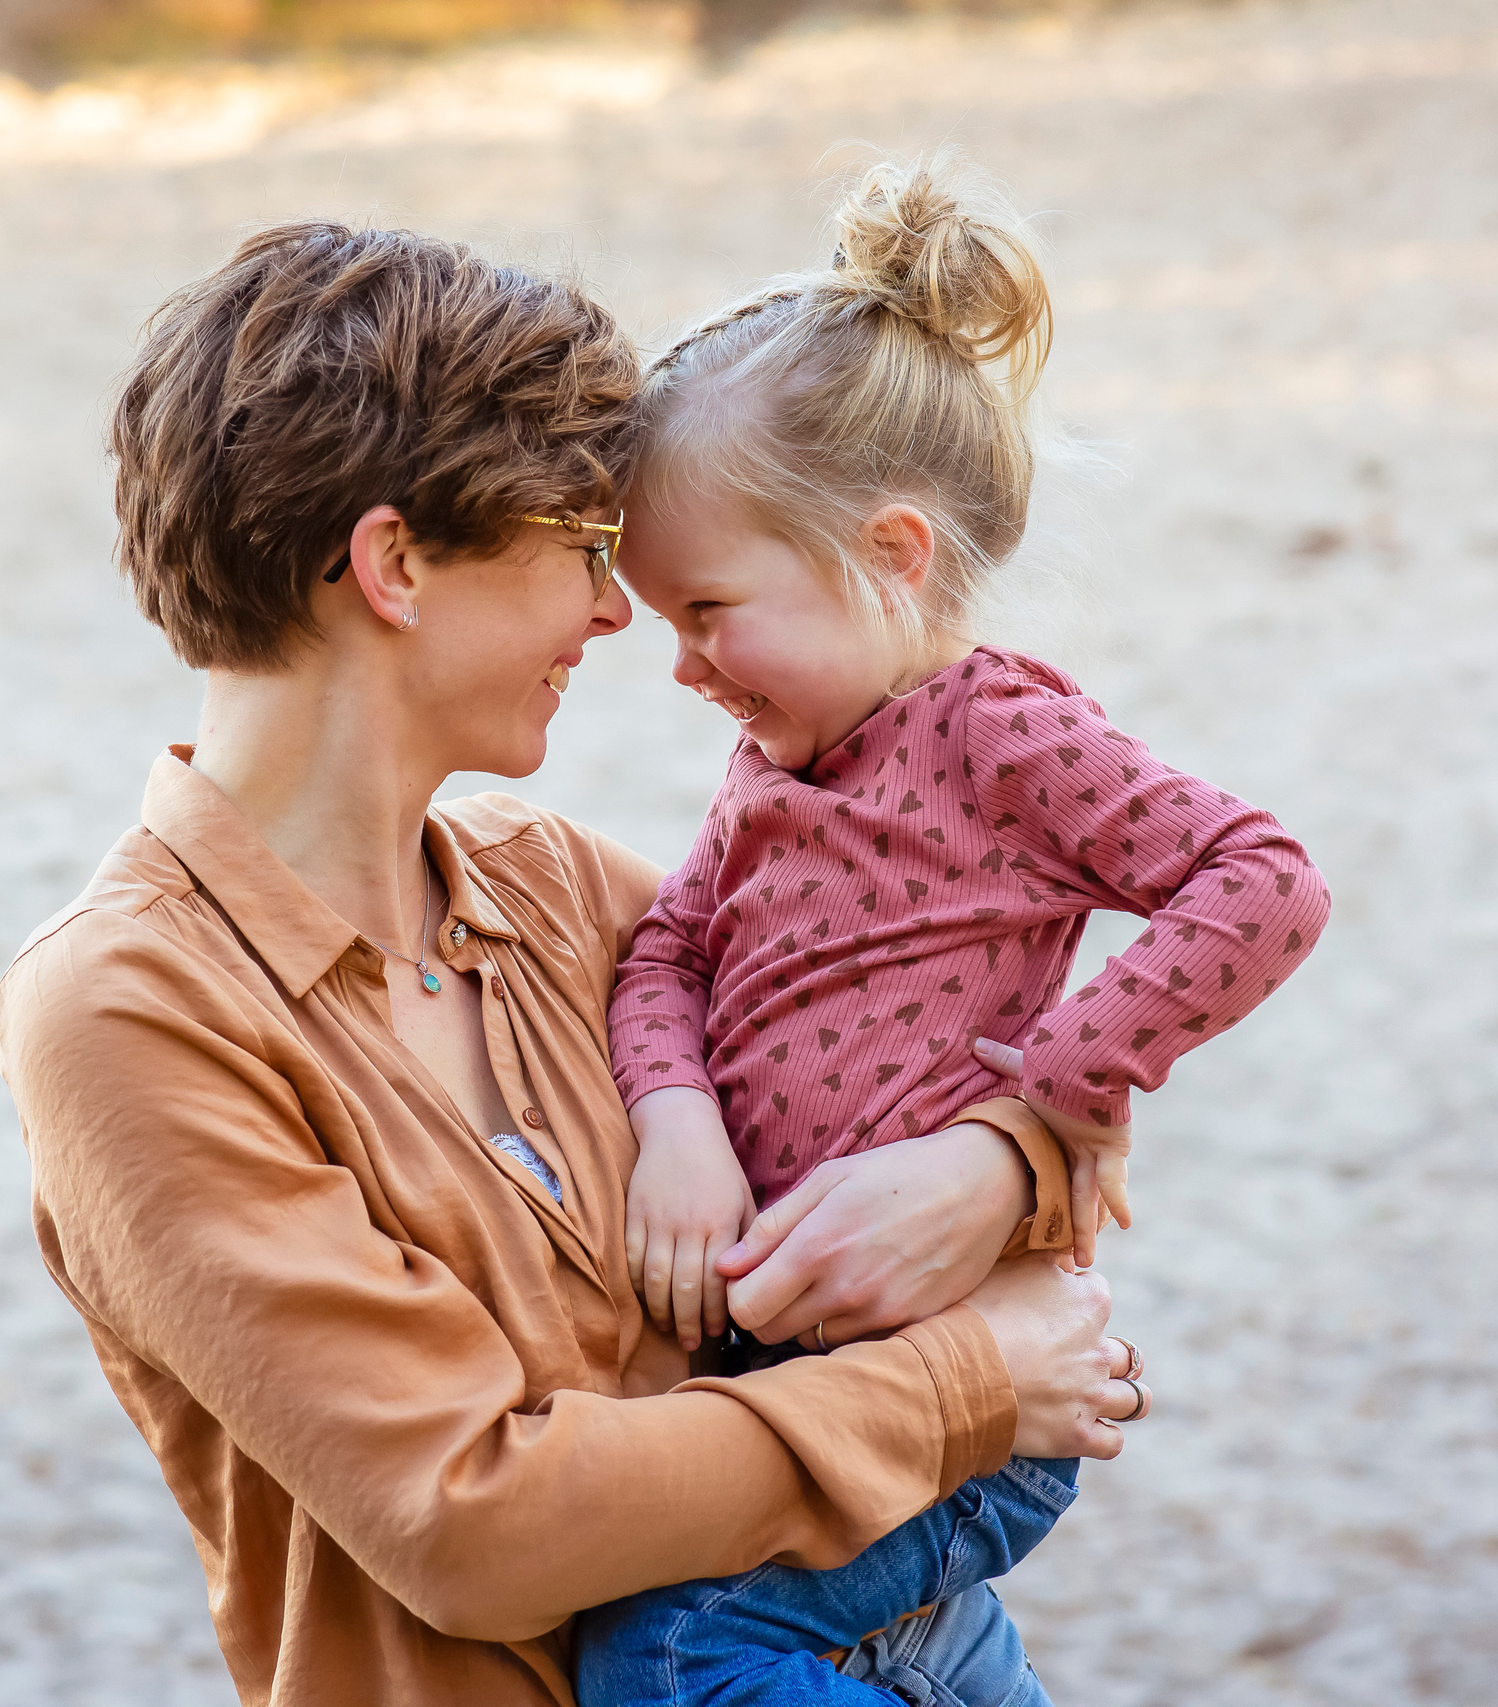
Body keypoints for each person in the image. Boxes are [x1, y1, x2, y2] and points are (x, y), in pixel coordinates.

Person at [0, 217, 1147, 1705]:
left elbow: (949, 1080)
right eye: (586, 553)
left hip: (934, 1655)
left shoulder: (567, 893)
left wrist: (993, 1169)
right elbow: (469, 1523)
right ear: (396, 564)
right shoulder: (130, 1008)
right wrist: (974, 1381)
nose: (617, 613)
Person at [577, 156, 1332, 1704]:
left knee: (670, 1652)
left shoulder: (998, 734)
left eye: (709, 611)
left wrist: (1041, 1104)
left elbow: (1261, 882)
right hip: (803, 1373)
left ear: (893, 555)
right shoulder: (769, 765)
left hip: (973, 1393)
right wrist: (678, 1119)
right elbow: (668, 952)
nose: (683, 668)